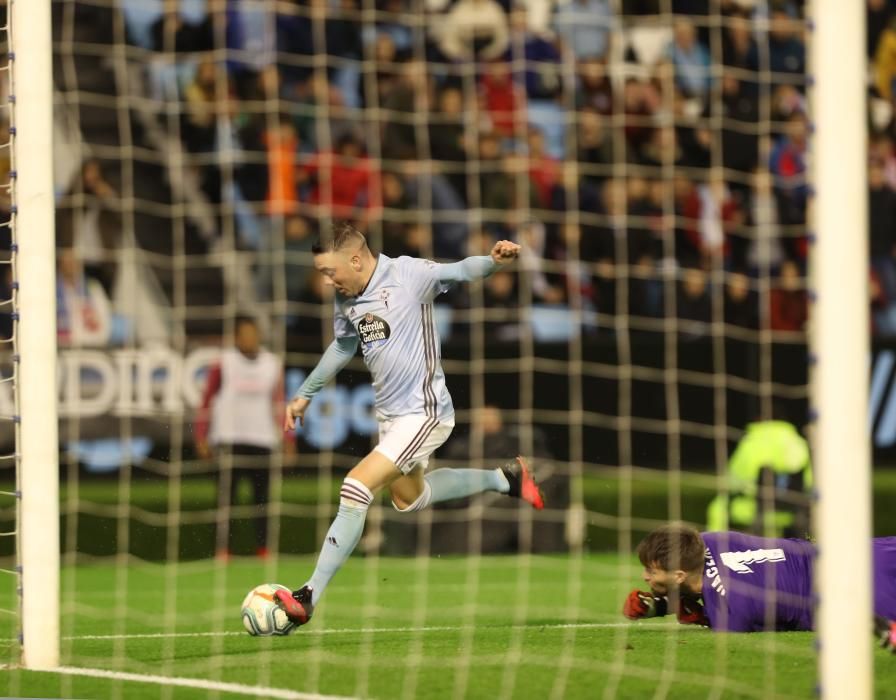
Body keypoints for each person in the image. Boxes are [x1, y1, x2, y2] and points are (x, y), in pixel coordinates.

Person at [275, 221, 544, 626]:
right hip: (391, 417)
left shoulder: (407, 274)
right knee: (409, 499)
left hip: (425, 412)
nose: (328, 282)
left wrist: (492, 262)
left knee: (355, 485)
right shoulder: (348, 299)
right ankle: (506, 479)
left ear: (354, 258)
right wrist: (306, 393)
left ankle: (308, 594)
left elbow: (457, 271)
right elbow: (344, 344)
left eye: (330, 272)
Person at [622, 522, 896, 652]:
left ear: (679, 575)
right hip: (867, 551)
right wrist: (663, 604)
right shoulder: (708, 540)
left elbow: (724, 610)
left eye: (651, 570)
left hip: (859, 593)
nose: (645, 577)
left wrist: (671, 607)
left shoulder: (728, 610)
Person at [194, 316, 291, 560]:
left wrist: (289, 438)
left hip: (262, 440)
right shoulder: (223, 363)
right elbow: (206, 400)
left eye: (252, 333)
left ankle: (264, 550)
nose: (249, 338)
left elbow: (279, 403)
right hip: (229, 438)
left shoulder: (272, 364)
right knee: (226, 501)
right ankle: (223, 551)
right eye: (244, 334)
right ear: (236, 337)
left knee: (262, 501)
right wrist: (200, 435)